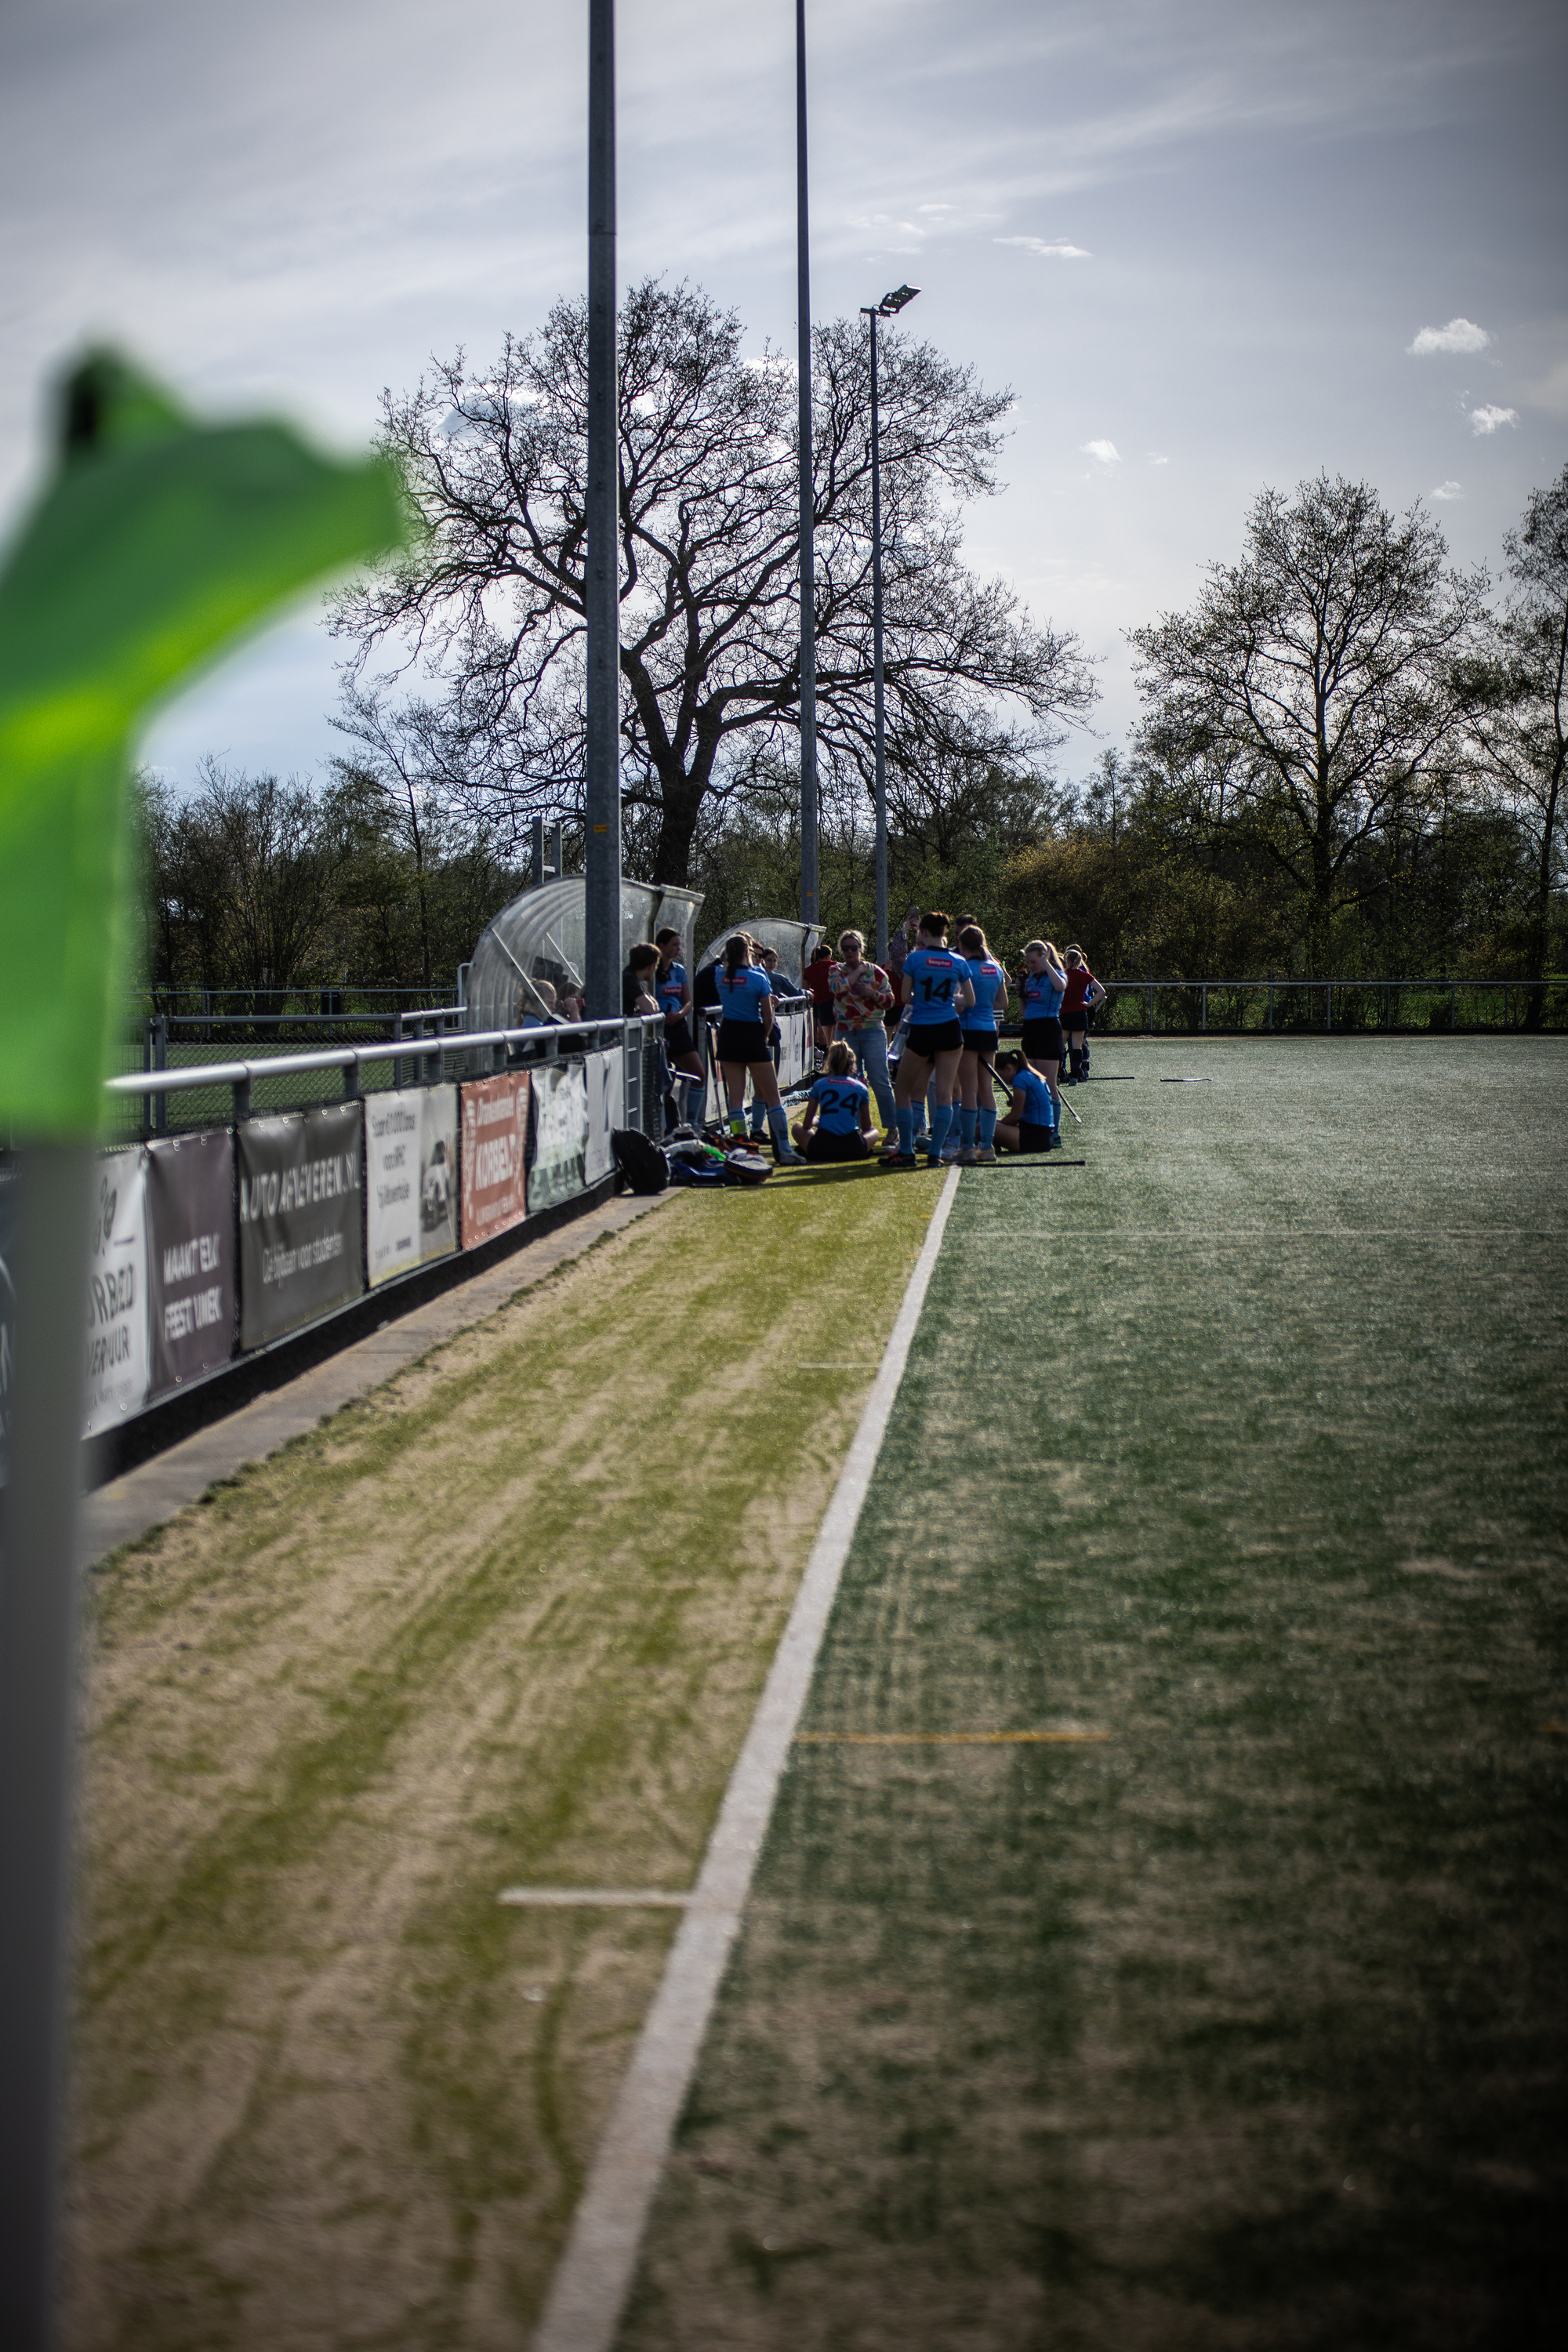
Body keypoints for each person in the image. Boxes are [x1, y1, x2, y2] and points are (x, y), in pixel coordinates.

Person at [887, 909, 973, 1168]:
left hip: (923, 1027)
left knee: (906, 1090)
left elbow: (905, 997)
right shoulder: (958, 962)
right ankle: (936, 1153)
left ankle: (906, 1149)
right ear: (945, 932)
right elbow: (970, 1001)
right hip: (949, 1028)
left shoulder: (916, 959)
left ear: (923, 932)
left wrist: (927, 999)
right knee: (945, 1093)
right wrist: (947, 1000)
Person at [714, 934, 803, 1163]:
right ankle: (784, 1150)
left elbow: (723, 966)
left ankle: (740, 1145)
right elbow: (767, 1017)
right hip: (752, 1034)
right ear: (748, 953)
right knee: (773, 1096)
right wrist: (761, 1038)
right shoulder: (758, 978)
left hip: (728, 1035)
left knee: (735, 1098)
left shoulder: (719, 975)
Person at [827, 930, 896, 1135]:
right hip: (845, 1032)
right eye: (845, 948)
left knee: (879, 1079)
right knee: (848, 1080)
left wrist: (871, 993)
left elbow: (890, 1001)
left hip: (872, 1030)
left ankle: (892, 1128)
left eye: (853, 948)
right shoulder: (836, 970)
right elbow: (838, 989)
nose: (849, 952)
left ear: (861, 949)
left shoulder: (876, 973)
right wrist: (856, 973)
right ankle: (851, 1128)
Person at [956, 923, 1008, 1165]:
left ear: (963, 945)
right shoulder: (995, 968)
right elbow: (1003, 1002)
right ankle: (987, 1146)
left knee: (969, 1089)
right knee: (986, 1088)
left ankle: (967, 1147)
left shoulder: (965, 968)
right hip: (989, 1031)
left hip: (968, 1030)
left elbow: (962, 1004)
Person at [793, 1040, 877, 1161]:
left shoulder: (820, 1084)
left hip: (822, 1147)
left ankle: (807, 1151)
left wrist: (817, 1120)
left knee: (797, 1127)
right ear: (852, 1066)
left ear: (829, 1064)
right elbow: (866, 1127)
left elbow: (806, 1125)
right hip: (853, 1148)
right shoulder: (861, 1088)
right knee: (874, 1131)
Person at [1017, 938, 1068, 1116]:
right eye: (1028, 962)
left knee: (1049, 1083)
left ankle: (1053, 1131)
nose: (1030, 965)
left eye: (1033, 961)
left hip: (1048, 1029)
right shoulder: (1030, 978)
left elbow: (1061, 986)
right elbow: (1025, 1011)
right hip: (1031, 1029)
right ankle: (1036, 1122)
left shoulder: (1056, 974)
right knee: (1033, 1081)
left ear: (1045, 957)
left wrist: (1046, 964)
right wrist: (1020, 994)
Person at [655, 926, 705, 1094]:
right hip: (657, 1028)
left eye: (679, 945)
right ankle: (664, 1118)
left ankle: (691, 1118)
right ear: (661, 945)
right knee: (661, 1079)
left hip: (678, 1027)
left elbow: (688, 1003)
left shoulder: (679, 970)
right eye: (674, 945)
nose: (678, 949)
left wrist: (679, 1015)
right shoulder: (651, 971)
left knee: (699, 1076)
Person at [993, 1048, 1059, 1153]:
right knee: (991, 1125)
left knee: (982, 1128)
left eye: (1000, 1076)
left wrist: (999, 1125)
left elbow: (1015, 1116)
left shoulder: (1020, 1079)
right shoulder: (1029, 1074)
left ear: (1008, 1068)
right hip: (1045, 1136)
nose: (1001, 1081)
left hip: (1036, 1138)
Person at [1061, 945, 1105, 1083]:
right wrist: (1088, 1004)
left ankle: (1058, 1073)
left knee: (1060, 1045)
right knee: (1077, 1046)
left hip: (1064, 1012)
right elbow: (1102, 991)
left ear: (1066, 960)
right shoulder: (1085, 975)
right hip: (1080, 1013)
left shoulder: (1062, 975)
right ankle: (1075, 1075)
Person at [800, 935, 836, 1060]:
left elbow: (805, 988)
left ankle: (828, 1058)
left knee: (825, 1036)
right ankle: (833, 1059)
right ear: (828, 956)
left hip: (821, 1004)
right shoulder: (835, 966)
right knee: (835, 1036)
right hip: (835, 1003)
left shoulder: (809, 970)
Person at [622, 941, 659, 1018]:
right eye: (656, 966)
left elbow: (655, 1007)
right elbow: (651, 1009)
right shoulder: (628, 979)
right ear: (651, 966)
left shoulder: (633, 977)